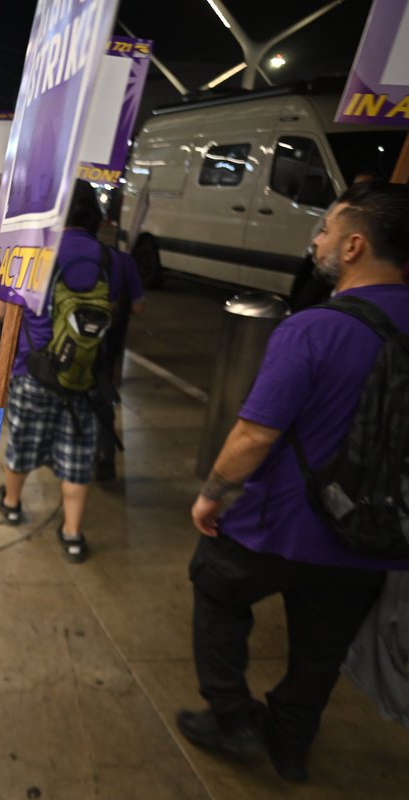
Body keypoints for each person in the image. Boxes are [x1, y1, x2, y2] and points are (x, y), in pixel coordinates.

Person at [178, 179, 409, 783]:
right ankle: (290, 745)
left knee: (215, 584)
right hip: (374, 535)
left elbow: (254, 436)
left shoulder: (313, 329)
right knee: (321, 648)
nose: (317, 240)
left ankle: (233, 717)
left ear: (355, 246)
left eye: (326, 229)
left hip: (281, 524)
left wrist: (211, 495)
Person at [0, 180, 141, 563]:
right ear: (96, 215)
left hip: (32, 372)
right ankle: (73, 534)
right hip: (86, 378)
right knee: (77, 456)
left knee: (23, 443)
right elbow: (135, 308)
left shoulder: (29, 256)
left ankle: (11, 504)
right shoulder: (116, 260)